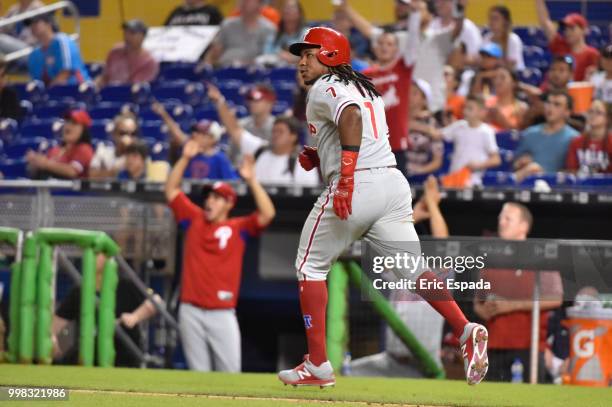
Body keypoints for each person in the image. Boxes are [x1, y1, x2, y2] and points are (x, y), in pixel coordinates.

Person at [278, 27, 489, 387]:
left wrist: (343, 177)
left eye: (309, 54)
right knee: (412, 270)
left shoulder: (323, 86)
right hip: (392, 182)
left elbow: (351, 120)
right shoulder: (364, 85)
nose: (301, 62)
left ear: (329, 56)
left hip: (358, 181)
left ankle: (317, 364)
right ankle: (464, 328)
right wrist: (320, 152)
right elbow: (356, 125)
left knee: (309, 265)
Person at [165, 141, 275, 372]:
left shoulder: (239, 227)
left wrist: (252, 180)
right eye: (208, 197)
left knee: (230, 373)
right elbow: (171, 190)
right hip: (190, 310)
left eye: (216, 198)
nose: (209, 202)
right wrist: (185, 158)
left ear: (229, 203)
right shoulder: (194, 219)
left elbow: (267, 214)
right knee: (199, 373)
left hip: (222, 312)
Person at [349, 176, 449, 378]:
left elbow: (443, 243)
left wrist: (432, 203)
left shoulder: (438, 276)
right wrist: (417, 214)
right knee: (347, 373)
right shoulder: (400, 269)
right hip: (391, 361)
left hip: (425, 366)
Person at [474, 202, 563, 382]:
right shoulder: (490, 258)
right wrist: (482, 310)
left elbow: (556, 298)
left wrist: (512, 306)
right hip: (494, 345)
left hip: (529, 345)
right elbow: (478, 301)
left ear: (524, 226)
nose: (502, 222)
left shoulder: (541, 257)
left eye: (508, 218)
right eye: (501, 218)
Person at [343, 0, 463, 115]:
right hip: (407, 109)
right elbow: (370, 31)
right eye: (413, 10)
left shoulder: (440, 39)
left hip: (434, 108)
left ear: (430, 15)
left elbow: (458, 29)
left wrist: (460, 9)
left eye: (419, 9)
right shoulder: (398, 39)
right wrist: (345, 7)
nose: (415, 13)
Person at [52, 253, 161, 367]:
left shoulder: (126, 285)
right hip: (89, 358)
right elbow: (56, 323)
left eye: (97, 254)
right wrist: (51, 337)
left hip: (124, 358)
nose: (92, 257)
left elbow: (156, 301)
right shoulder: (79, 291)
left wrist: (135, 316)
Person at [209, 83, 318, 186]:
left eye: (280, 132)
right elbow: (235, 130)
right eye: (274, 131)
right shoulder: (260, 150)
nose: (275, 134)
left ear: (293, 136)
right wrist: (220, 101)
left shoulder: (303, 164)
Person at [359, 2, 420, 175]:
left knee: (398, 198)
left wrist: (414, 15)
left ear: (396, 49)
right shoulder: (364, 75)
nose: (385, 47)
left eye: (390, 44)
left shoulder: (402, 68)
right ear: (375, 48)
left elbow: (413, 44)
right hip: (371, 148)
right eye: (382, 43)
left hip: (396, 146)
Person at [155, 100, 238, 180]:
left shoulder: (220, 159)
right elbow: (177, 134)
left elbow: (231, 182)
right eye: (196, 132)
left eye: (202, 134)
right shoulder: (190, 153)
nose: (195, 135)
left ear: (213, 139)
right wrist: (163, 114)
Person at [433, 94, 501, 186]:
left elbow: (496, 159)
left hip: (473, 182)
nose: (465, 111)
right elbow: (437, 135)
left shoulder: (486, 131)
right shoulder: (459, 125)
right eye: (465, 107)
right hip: (453, 179)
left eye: (470, 108)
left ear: (482, 112)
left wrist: (478, 165)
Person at [514, 90, 579, 181]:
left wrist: (545, 174)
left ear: (567, 112)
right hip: (528, 185)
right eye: (548, 103)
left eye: (557, 104)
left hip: (557, 188)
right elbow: (515, 164)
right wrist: (521, 163)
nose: (550, 107)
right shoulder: (530, 133)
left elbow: (573, 171)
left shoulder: (574, 138)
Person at [535, 0, 599, 81]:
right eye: (565, 29)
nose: (567, 32)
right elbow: (545, 22)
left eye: (572, 28)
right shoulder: (560, 45)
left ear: (584, 30)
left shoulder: (592, 54)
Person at [203, 0, 276, 66]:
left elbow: (268, 58)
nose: (242, 2)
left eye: (247, 1)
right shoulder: (227, 24)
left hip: (251, 72)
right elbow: (213, 54)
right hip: (225, 69)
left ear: (260, 4)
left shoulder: (268, 29)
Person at [26, 109, 94, 179]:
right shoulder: (55, 150)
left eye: (74, 123)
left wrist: (45, 164)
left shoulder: (84, 149)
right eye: (67, 122)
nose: (68, 126)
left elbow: (72, 172)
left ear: (83, 130)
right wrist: (35, 163)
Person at [26, 13, 90, 86]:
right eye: (31, 24)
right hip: (52, 94)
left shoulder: (62, 41)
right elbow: (36, 80)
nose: (32, 26)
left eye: (36, 22)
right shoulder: (34, 54)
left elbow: (65, 73)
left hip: (77, 89)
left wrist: (47, 92)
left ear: (48, 24)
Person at [96, 19, 159, 88]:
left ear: (143, 36)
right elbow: (105, 77)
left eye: (132, 33)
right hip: (107, 95)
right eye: (126, 32)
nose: (127, 36)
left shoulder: (149, 62)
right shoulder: (114, 52)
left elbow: (136, 88)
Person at [520, 55, 575, 129]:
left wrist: (554, 114)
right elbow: (523, 128)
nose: (556, 74)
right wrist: (531, 114)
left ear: (571, 75)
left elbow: (580, 126)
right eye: (553, 69)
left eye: (561, 70)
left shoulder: (576, 97)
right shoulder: (540, 98)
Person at [405, 79, 443, 177]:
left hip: (417, 178)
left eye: (415, 93)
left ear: (424, 99)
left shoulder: (432, 123)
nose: (409, 96)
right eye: (407, 91)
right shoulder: (395, 118)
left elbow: (437, 161)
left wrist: (419, 171)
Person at [566, 99, 612, 174]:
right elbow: (571, 170)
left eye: (598, 112)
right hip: (582, 184)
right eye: (590, 111)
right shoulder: (576, 142)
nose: (593, 115)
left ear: (608, 118)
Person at [89, 112, 140, 179]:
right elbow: (92, 175)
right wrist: (114, 170)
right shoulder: (103, 150)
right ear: (114, 134)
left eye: (133, 134)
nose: (128, 137)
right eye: (123, 133)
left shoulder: (140, 154)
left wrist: (129, 152)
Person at [430, 0, 482, 65]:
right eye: (437, 1)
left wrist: (456, 59)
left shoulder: (468, 27)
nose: (439, 4)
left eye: (444, 1)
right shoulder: (431, 24)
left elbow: (476, 57)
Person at [259, 0, 306, 66]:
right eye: (286, 7)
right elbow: (266, 54)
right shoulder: (274, 34)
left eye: (292, 7)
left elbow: (310, 56)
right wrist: (279, 54)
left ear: (299, 13)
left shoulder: (306, 34)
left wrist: (292, 58)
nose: (288, 10)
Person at [482, 5, 525, 70]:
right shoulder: (486, 38)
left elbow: (513, 64)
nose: (491, 22)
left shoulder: (513, 39)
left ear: (505, 21)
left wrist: (493, 62)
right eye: (490, 18)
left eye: (495, 19)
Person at [485, 66, 528, 131]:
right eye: (495, 77)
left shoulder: (521, 107)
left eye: (502, 78)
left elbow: (521, 135)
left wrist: (503, 121)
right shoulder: (485, 101)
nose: (497, 81)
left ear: (513, 83)